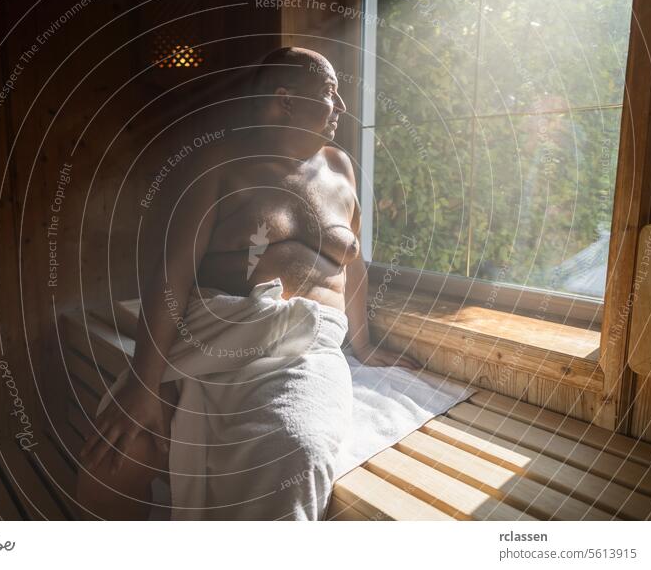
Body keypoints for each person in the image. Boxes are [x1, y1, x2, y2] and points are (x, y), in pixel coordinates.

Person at [76, 47, 419, 520]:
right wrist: (143, 382)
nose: (340, 106)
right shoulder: (220, 165)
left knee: (294, 451)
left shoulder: (340, 167)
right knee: (116, 459)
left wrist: (361, 343)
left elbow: (352, 266)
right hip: (217, 328)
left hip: (302, 349)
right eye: (329, 93)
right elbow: (172, 275)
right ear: (285, 100)